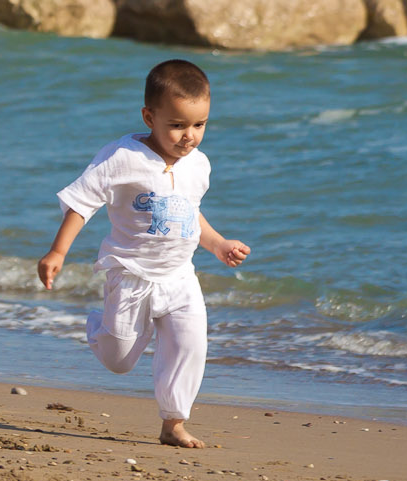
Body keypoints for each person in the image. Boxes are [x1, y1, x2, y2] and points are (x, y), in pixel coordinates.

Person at [38, 59, 249, 448]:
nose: (189, 136)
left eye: (199, 125)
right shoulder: (121, 157)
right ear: (149, 117)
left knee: (190, 346)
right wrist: (57, 251)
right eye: (177, 125)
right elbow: (82, 203)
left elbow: (188, 214)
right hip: (131, 273)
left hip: (180, 277)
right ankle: (97, 326)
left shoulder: (198, 165)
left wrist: (218, 243)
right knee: (119, 361)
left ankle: (173, 424)